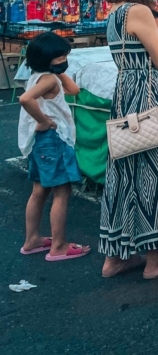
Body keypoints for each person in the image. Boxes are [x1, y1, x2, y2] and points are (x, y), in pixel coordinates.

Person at [100, 0, 158, 280]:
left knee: (123, 176)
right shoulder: (139, 11)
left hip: (124, 96)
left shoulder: (115, 12)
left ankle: (116, 257)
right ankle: (156, 259)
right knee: (151, 174)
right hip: (146, 98)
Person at [18, 32, 88, 261]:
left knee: (39, 190)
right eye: (60, 57)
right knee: (62, 191)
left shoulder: (41, 75)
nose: (64, 60)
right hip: (52, 139)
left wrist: (61, 71)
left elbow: (74, 90)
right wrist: (43, 120)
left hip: (40, 143)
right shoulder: (47, 79)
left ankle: (32, 239)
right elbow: (25, 100)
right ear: (47, 58)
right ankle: (58, 245)